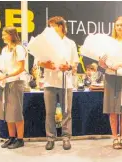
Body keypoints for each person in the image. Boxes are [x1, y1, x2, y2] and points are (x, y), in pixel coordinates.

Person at [38, 16, 79, 150]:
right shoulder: (46, 43)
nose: (50, 29)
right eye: (49, 26)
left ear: (61, 27)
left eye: (52, 26)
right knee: (49, 113)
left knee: (67, 112)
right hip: (49, 82)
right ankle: (50, 138)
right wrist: (47, 65)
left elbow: (75, 64)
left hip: (66, 83)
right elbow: (39, 62)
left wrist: (68, 67)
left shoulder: (70, 43)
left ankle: (66, 138)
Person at [99, 16, 122, 149]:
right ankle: (115, 137)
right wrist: (102, 63)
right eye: (117, 25)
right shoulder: (109, 43)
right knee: (112, 109)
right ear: (114, 27)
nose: (119, 27)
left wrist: (120, 64)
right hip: (110, 77)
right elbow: (104, 65)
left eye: (121, 25)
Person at [0, 26, 26, 149]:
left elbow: (21, 68)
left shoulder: (19, 49)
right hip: (5, 83)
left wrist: (6, 76)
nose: (2, 36)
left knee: (16, 112)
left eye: (4, 34)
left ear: (11, 35)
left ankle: (20, 139)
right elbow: (2, 67)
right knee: (8, 112)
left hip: (16, 82)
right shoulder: (4, 49)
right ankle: (11, 137)